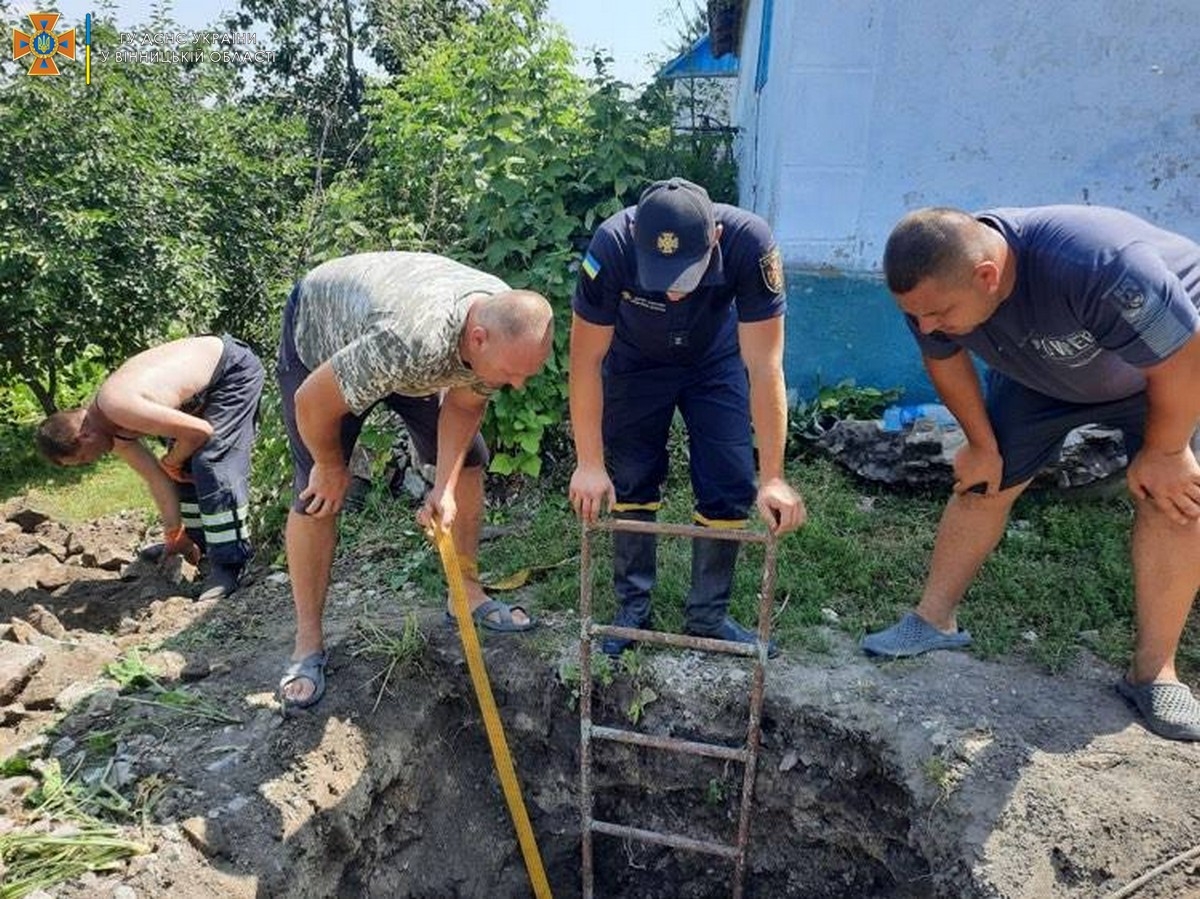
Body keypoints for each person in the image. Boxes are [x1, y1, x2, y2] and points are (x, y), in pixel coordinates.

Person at [861, 205, 1200, 742]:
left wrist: (1166, 450)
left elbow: (1184, 354)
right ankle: (933, 622)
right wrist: (980, 444)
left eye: (938, 315)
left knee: (1174, 500)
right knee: (981, 483)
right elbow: (943, 360)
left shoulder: (1100, 264)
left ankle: (1153, 673)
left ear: (988, 276)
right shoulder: (931, 290)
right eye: (917, 317)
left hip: (1159, 374)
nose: (925, 327)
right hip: (1040, 379)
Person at [276, 251, 555, 710]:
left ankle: (463, 593)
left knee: (467, 464)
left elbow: (464, 405)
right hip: (323, 338)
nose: (518, 386)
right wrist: (329, 465)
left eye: (526, 373)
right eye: (511, 374)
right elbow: (311, 403)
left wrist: (442, 487)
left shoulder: (499, 323)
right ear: (478, 339)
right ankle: (307, 642)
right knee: (317, 493)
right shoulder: (408, 342)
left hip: (404, 350)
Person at [567, 177, 806, 657]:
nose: (674, 291)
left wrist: (774, 476)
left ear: (714, 239)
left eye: (686, 275)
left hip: (713, 361)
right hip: (635, 362)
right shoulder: (611, 246)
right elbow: (585, 362)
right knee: (631, 476)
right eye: (662, 275)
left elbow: (764, 366)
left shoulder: (749, 243)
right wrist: (589, 463)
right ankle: (632, 612)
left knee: (728, 479)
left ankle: (708, 619)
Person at [36, 336, 264, 602]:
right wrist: (174, 534)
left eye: (85, 458)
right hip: (198, 391)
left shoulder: (119, 407)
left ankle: (230, 564)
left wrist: (172, 459)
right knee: (184, 467)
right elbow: (157, 479)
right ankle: (203, 548)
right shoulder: (112, 432)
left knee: (210, 462)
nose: (93, 461)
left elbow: (201, 433)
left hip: (230, 370)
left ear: (84, 436)